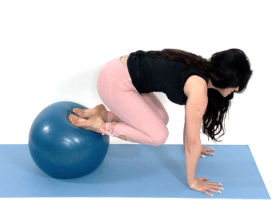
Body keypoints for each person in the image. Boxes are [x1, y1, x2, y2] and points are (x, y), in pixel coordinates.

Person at [67, 49, 252, 197]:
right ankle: (99, 124)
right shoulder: (199, 88)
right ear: (227, 78)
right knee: (158, 135)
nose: (237, 89)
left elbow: (191, 129)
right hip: (115, 82)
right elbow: (191, 141)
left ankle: (105, 114)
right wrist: (192, 181)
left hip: (119, 73)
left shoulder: (200, 69)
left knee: (161, 119)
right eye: (238, 84)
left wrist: (195, 143)